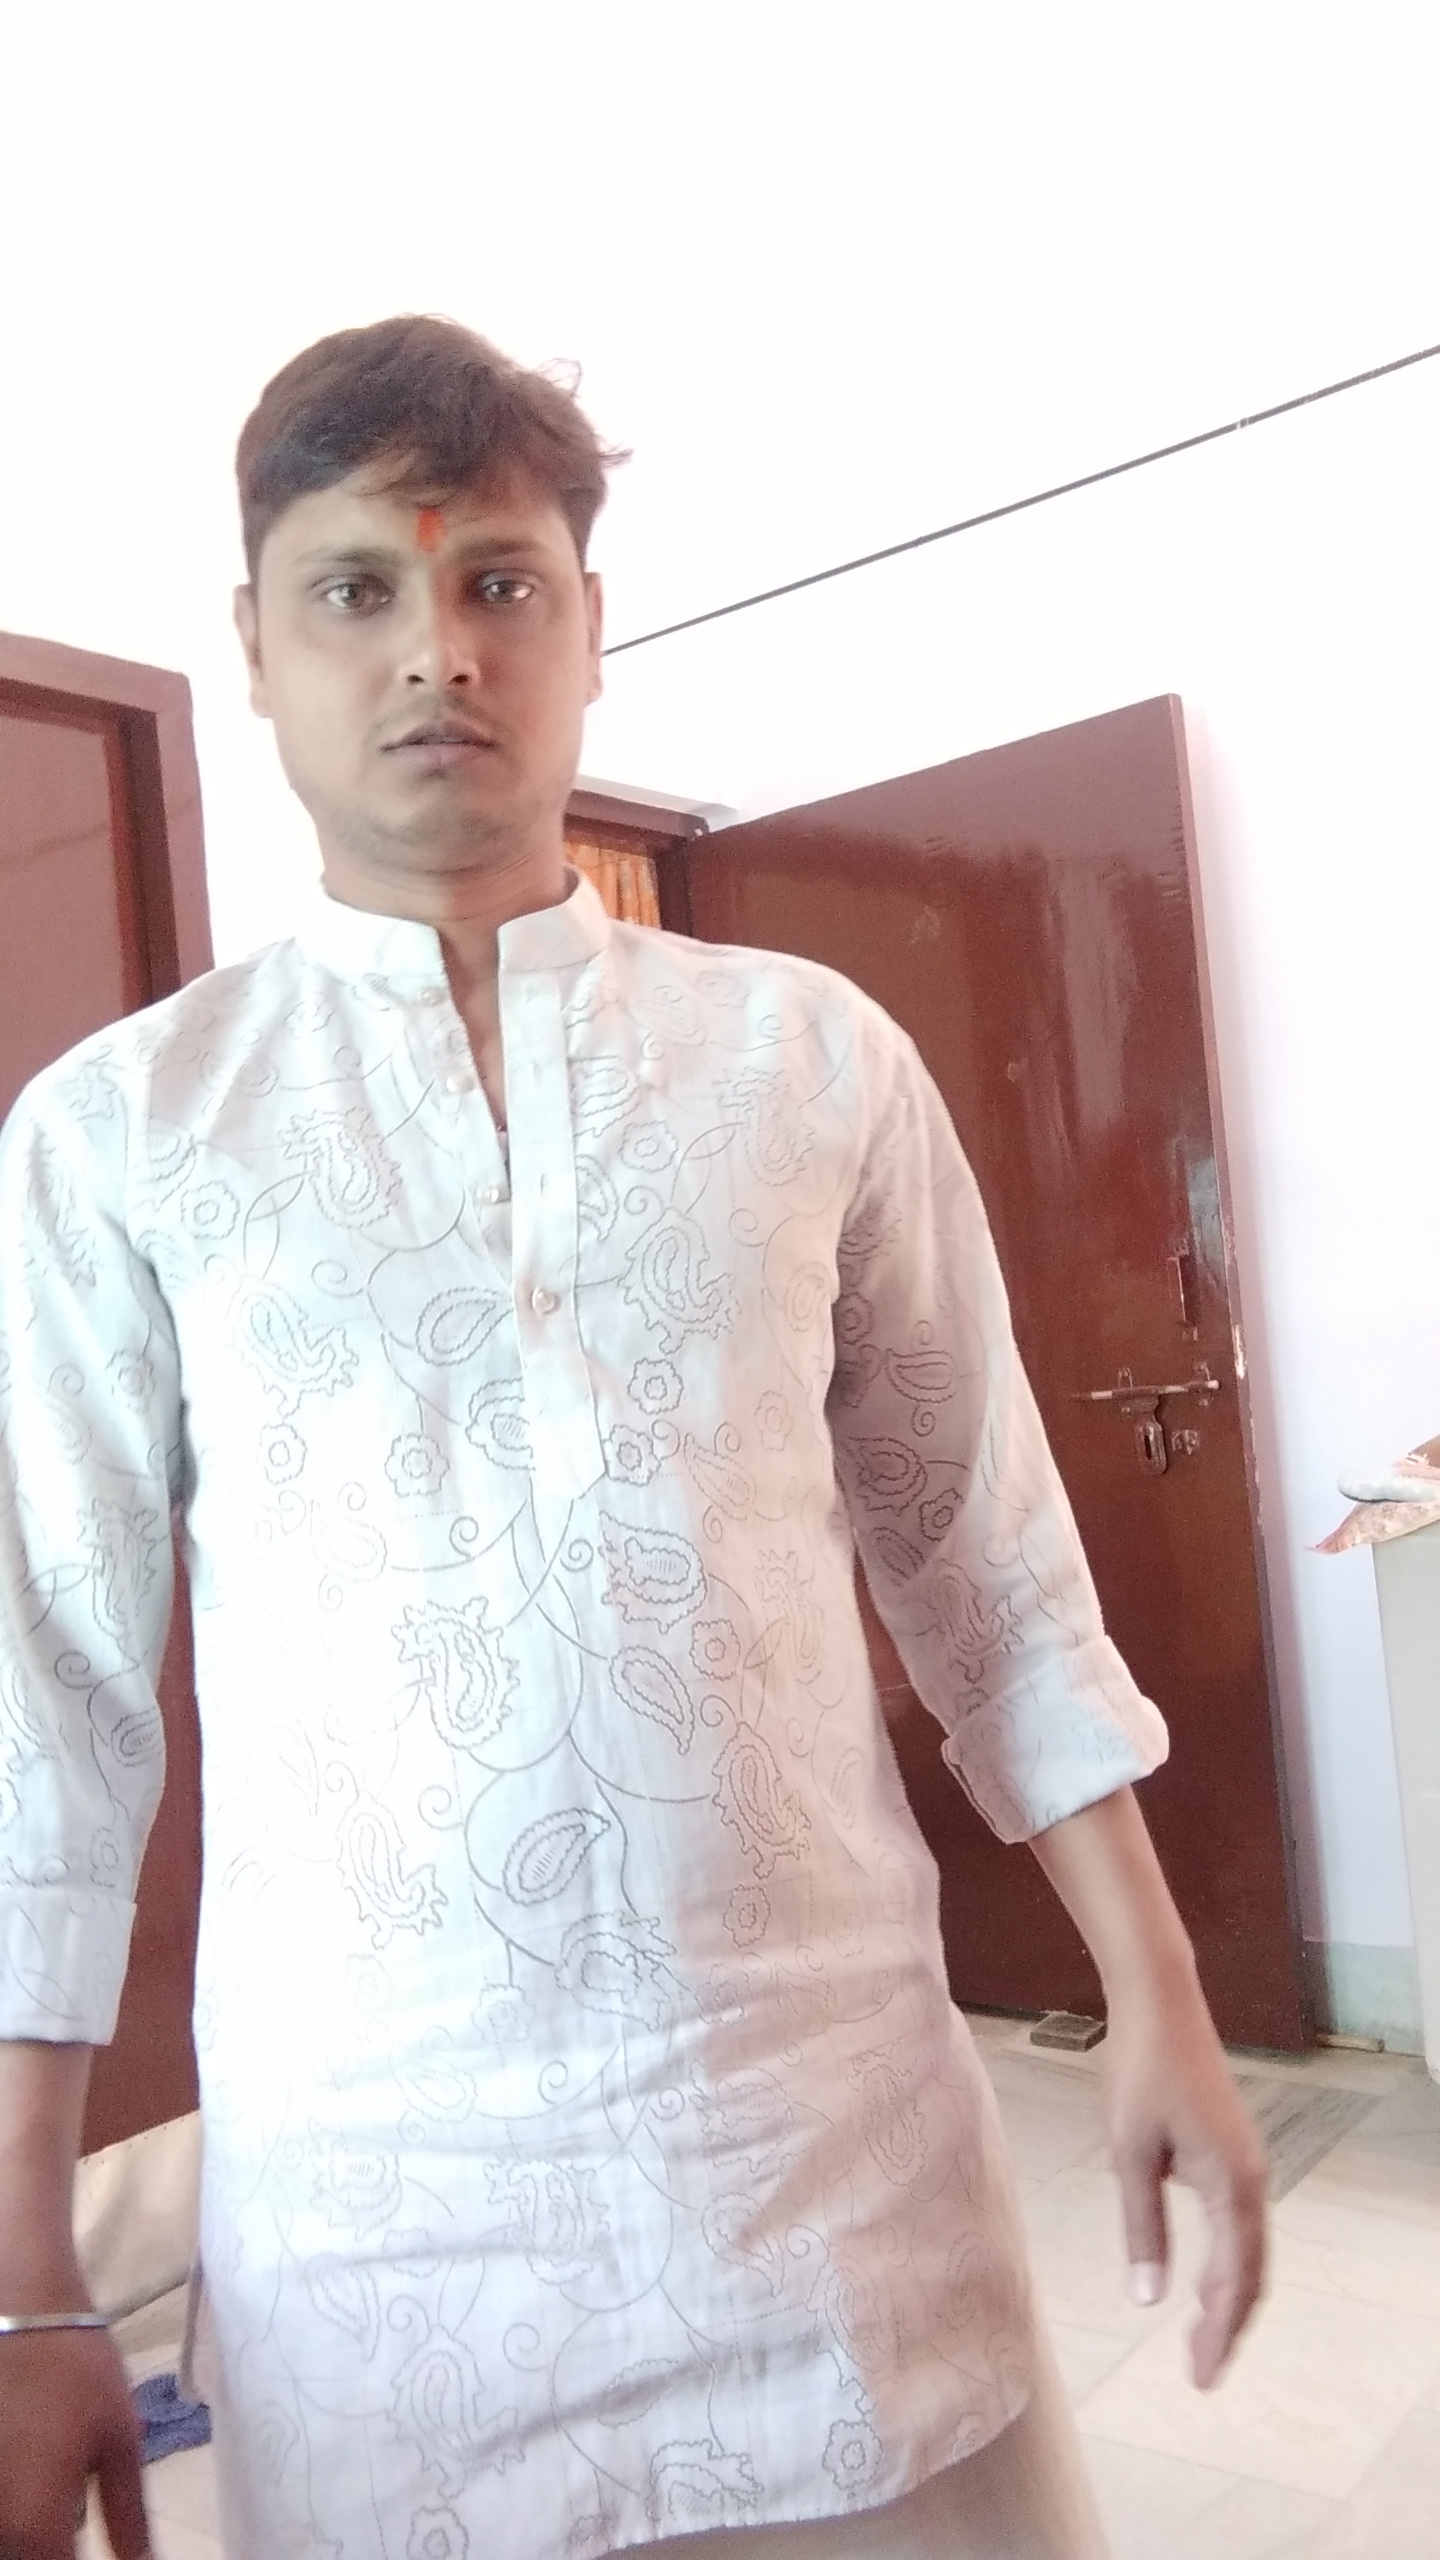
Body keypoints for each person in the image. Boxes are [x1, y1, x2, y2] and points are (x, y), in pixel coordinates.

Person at [0, 317, 1266, 2560]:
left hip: (832, 2181)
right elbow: (53, 1715)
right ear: (257, 650)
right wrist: (24, 2279)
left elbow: (986, 1568)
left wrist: (1161, 1997)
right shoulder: (123, 1135)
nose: (436, 653)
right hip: (389, 2253)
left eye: (498, 581)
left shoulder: (812, 1060)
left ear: (588, 624)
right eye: (356, 590)